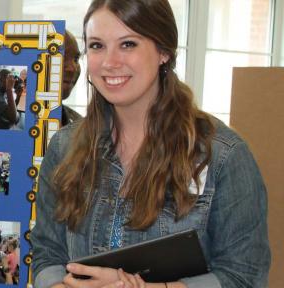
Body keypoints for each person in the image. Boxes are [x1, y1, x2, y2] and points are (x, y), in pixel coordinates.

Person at [31, 1, 270, 287]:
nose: (109, 62)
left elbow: (244, 275)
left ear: (164, 52)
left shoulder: (222, 156)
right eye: (97, 46)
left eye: (128, 44)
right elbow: (47, 252)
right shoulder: (64, 148)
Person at [61, 30, 83, 126]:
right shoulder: (12, 122)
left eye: (76, 59)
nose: (72, 68)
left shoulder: (81, 127)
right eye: (62, 57)